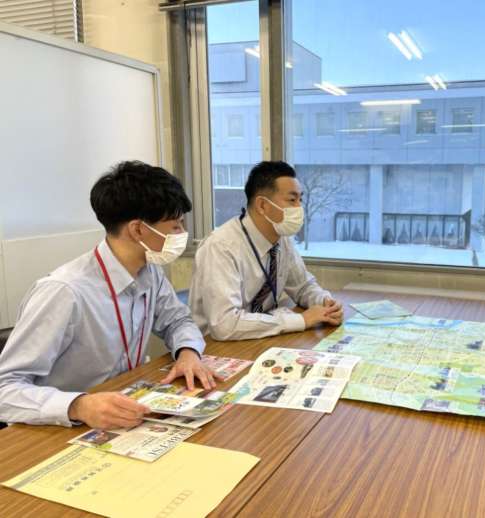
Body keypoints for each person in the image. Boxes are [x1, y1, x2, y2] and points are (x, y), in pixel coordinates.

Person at [0, 161, 221, 430]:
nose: (182, 234)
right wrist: (78, 405)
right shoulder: (65, 292)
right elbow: (5, 389)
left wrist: (188, 352)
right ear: (138, 229)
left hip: (125, 414)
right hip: (60, 428)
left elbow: (178, 321)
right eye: (175, 226)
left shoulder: (149, 272)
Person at [190, 161, 343, 341]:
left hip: (261, 338)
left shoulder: (281, 238)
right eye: (292, 200)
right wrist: (301, 320)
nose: (299, 208)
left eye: (300, 200)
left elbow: (302, 286)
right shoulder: (220, 247)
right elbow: (225, 324)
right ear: (262, 205)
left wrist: (324, 302)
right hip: (216, 348)